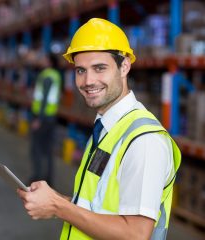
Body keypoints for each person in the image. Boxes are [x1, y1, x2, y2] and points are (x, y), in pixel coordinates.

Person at [17, 18, 181, 240]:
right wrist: (55, 199)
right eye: (80, 71)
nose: (88, 81)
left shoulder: (144, 141)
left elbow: (135, 234)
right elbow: (99, 206)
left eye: (99, 68)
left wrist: (58, 207)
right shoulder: (107, 128)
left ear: (124, 66)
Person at [28, 53, 62, 186]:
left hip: (43, 118)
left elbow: (44, 99)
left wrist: (38, 119)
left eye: (43, 58)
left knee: (36, 149)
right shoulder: (56, 75)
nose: (41, 60)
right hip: (51, 116)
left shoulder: (47, 76)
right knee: (48, 150)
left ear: (49, 62)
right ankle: (48, 180)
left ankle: (37, 178)